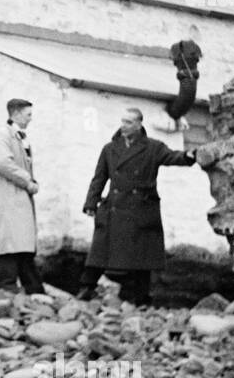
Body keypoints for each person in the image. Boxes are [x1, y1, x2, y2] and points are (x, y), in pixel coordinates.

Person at [77, 106, 198, 305]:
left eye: (129, 122)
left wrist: (190, 156)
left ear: (139, 124)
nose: (124, 126)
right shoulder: (109, 148)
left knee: (142, 257)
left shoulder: (153, 147)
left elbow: (173, 157)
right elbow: (99, 178)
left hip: (141, 208)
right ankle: (86, 288)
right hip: (114, 207)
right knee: (99, 252)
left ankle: (140, 297)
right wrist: (91, 202)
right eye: (122, 121)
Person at [0, 98, 44, 294]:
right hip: (7, 199)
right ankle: (8, 292)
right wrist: (27, 181)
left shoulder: (19, 137)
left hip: (17, 200)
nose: (31, 119)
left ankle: (34, 292)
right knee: (7, 243)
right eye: (28, 115)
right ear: (16, 114)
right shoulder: (1, 135)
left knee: (21, 244)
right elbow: (2, 163)